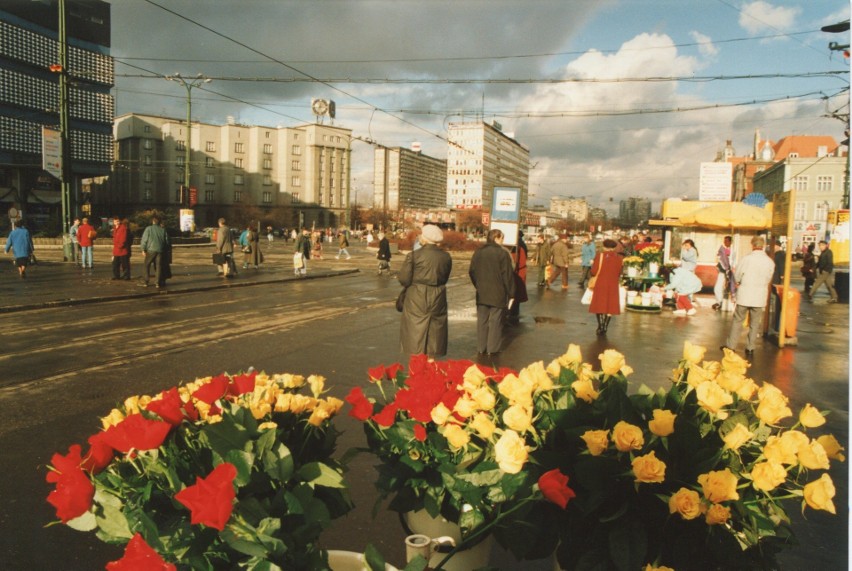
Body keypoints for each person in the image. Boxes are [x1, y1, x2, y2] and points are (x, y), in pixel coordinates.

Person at [398, 224, 452, 357]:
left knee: (415, 333)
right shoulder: (446, 257)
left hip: (416, 296)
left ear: (425, 238)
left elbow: (404, 279)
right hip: (438, 296)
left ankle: (417, 370)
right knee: (435, 332)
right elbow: (445, 278)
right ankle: (431, 369)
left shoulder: (414, 256)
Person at [723, 236, 775, 358]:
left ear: (752, 245)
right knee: (755, 323)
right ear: (763, 246)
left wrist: (739, 281)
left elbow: (737, 275)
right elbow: (768, 278)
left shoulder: (746, 259)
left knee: (738, 321)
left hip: (745, 294)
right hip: (759, 296)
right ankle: (750, 347)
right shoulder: (769, 261)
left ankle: (731, 346)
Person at [469, 229, 516, 355]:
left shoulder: (478, 252)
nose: (502, 241)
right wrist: (512, 293)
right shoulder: (502, 254)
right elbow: (507, 275)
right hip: (498, 292)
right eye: (501, 238)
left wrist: (478, 285)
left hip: (482, 292)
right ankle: (493, 349)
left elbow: (472, 271)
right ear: (496, 238)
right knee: (495, 321)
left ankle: (481, 347)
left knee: (482, 320)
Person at [588, 239, 623, 335]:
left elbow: (594, 271)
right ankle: (605, 327)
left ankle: (600, 325)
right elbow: (619, 272)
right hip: (613, 284)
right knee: (610, 305)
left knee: (599, 304)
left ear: (604, 247)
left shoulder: (600, 256)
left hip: (601, 283)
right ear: (614, 248)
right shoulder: (618, 258)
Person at [139, 215, 170, 288]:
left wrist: (143, 249)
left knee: (146, 265)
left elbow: (144, 240)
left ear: (153, 221)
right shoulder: (163, 230)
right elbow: (167, 241)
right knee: (158, 266)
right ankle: (157, 283)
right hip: (160, 250)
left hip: (151, 250)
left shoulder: (148, 229)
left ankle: (146, 281)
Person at [508, 231, 528, 324]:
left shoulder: (517, 248)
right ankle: (514, 312)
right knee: (517, 293)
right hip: (520, 272)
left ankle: (512, 312)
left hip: (518, 272)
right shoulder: (522, 246)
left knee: (514, 292)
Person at [712, 236, 733, 311]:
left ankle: (720, 303)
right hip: (722, 271)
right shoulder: (724, 250)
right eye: (724, 241)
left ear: (730, 242)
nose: (725, 242)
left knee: (722, 288)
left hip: (727, 271)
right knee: (718, 288)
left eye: (727, 241)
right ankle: (719, 302)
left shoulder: (731, 250)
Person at [111, 217, 130, 281]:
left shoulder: (123, 228)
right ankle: (116, 276)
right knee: (115, 264)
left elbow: (123, 238)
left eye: (117, 221)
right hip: (116, 250)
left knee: (124, 264)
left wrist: (120, 246)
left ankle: (126, 276)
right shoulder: (114, 229)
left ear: (119, 221)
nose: (116, 222)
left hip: (122, 250)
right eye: (115, 221)